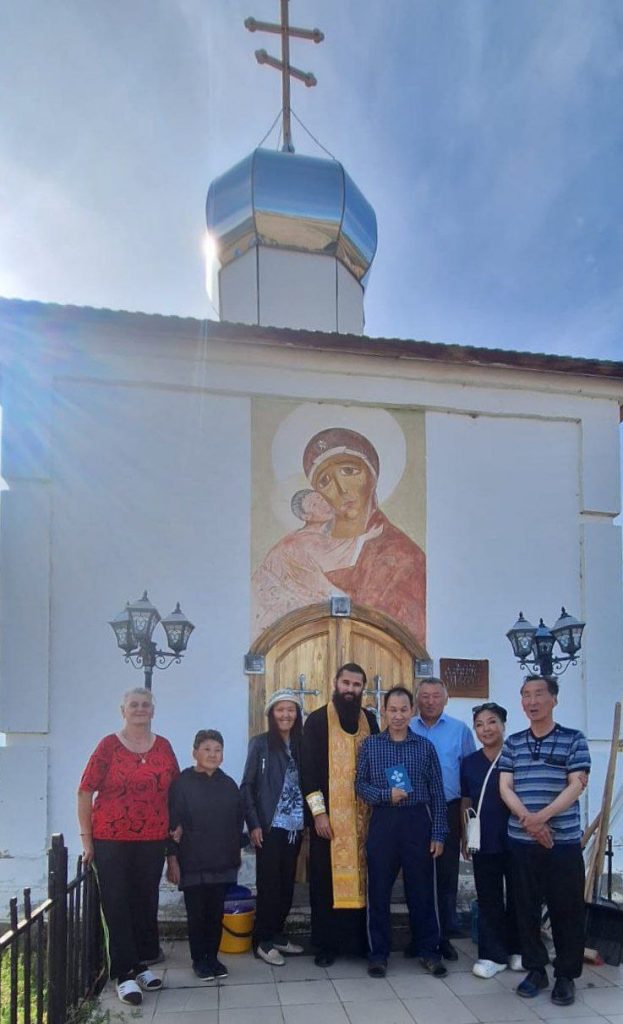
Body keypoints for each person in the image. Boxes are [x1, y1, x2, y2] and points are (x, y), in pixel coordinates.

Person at [252, 427, 426, 644]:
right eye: (325, 481)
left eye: (349, 471)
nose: (342, 488)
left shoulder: (403, 556)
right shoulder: (291, 548)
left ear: (371, 476)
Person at [77, 687, 179, 1006]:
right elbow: (84, 791)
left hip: (152, 840)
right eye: (133, 705)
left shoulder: (163, 747)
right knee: (117, 904)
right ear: (123, 711)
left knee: (144, 902)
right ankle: (123, 974)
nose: (140, 709)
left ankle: (140, 965)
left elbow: (176, 791)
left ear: (153, 711)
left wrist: (176, 831)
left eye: (145, 705)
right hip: (111, 840)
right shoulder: (108, 746)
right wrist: (86, 839)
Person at [499, 676, 591, 1007]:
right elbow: (505, 787)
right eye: (526, 695)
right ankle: (536, 969)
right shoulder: (513, 743)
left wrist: (542, 818)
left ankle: (566, 975)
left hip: (562, 842)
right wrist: (529, 819)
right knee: (524, 908)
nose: (532, 701)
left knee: (567, 909)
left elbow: (576, 785)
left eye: (539, 694)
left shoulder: (573, 739)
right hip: (522, 841)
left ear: (554, 699)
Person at [356, 686, 448, 979]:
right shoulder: (371, 745)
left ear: (412, 711)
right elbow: (360, 785)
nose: (398, 716)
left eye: (403, 710)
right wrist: (385, 794)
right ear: (384, 711)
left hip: (417, 821)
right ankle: (378, 954)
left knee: (422, 890)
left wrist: (438, 833)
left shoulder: (424, 747)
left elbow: (437, 792)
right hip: (383, 821)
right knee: (378, 890)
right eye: (392, 710)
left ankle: (429, 951)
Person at [302, 662, 379, 966]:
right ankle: (327, 945)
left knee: (364, 880)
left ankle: (359, 942)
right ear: (335, 683)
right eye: (346, 683)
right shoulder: (317, 721)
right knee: (325, 882)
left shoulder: (370, 720)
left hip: (365, 819)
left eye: (356, 685)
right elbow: (308, 773)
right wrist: (319, 814)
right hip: (329, 821)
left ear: (363, 688)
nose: (350, 689)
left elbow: (379, 763)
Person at [167, 730, 244, 982]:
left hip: (222, 860)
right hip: (192, 861)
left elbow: (237, 822)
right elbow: (173, 823)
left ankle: (213, 957)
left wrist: (235, 853)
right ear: (195, 753)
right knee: (197, 914)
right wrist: (172, 858)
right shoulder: (182, 783)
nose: (213, 754)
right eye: (207, 749)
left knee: (215, 913)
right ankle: (199, 959)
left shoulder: (229, 785)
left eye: (217, 750)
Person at [410, 678, 476, 960]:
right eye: (424, 696)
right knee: (417, 875)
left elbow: (469, 778)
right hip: (414, 810)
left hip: (449, 808)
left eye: (436, 696)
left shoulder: (460, 731)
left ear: (446, 699)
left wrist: (466, 828)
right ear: (417, 699)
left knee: (447, 876)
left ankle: (445, 937)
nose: (430, 701)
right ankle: (418, 937)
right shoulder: (407, 727)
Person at [241, 688, 305, 966]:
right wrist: (254, 824)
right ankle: (262, 941)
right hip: (269, 825)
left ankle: (277, 934)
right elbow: (247, 786)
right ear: (271, 713)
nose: (286, 715)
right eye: (280, 709)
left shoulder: (303, 744)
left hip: (295, 827)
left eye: (291, 710)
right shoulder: (260, 744)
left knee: (286, 884)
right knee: (269, 885)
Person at [460, 702, 522, 979]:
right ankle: (492, 955)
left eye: (492, 722)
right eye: (479, 724)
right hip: (484, 840)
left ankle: (519, 949)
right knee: (488, 897)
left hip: (517, 837)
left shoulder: (517, 756)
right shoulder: (469, 763)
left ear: (503, 725)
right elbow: (466, 801)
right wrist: (464, 834)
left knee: (521, 895)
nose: (486, 729)